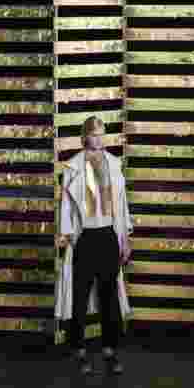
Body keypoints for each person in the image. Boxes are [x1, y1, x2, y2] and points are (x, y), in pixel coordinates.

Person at [55, 116, 132, 374]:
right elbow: (66, 204)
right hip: (85, 237)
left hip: (108, 234)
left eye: (102, 134)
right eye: (94, 134)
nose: (99, 139)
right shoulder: (73, 166)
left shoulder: (113, 163)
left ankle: (110, 351)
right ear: (85, 136)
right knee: (79, 296)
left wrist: (125, 238)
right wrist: (66, 234)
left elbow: (121, 204)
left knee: (109, 297)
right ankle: (78, 351)